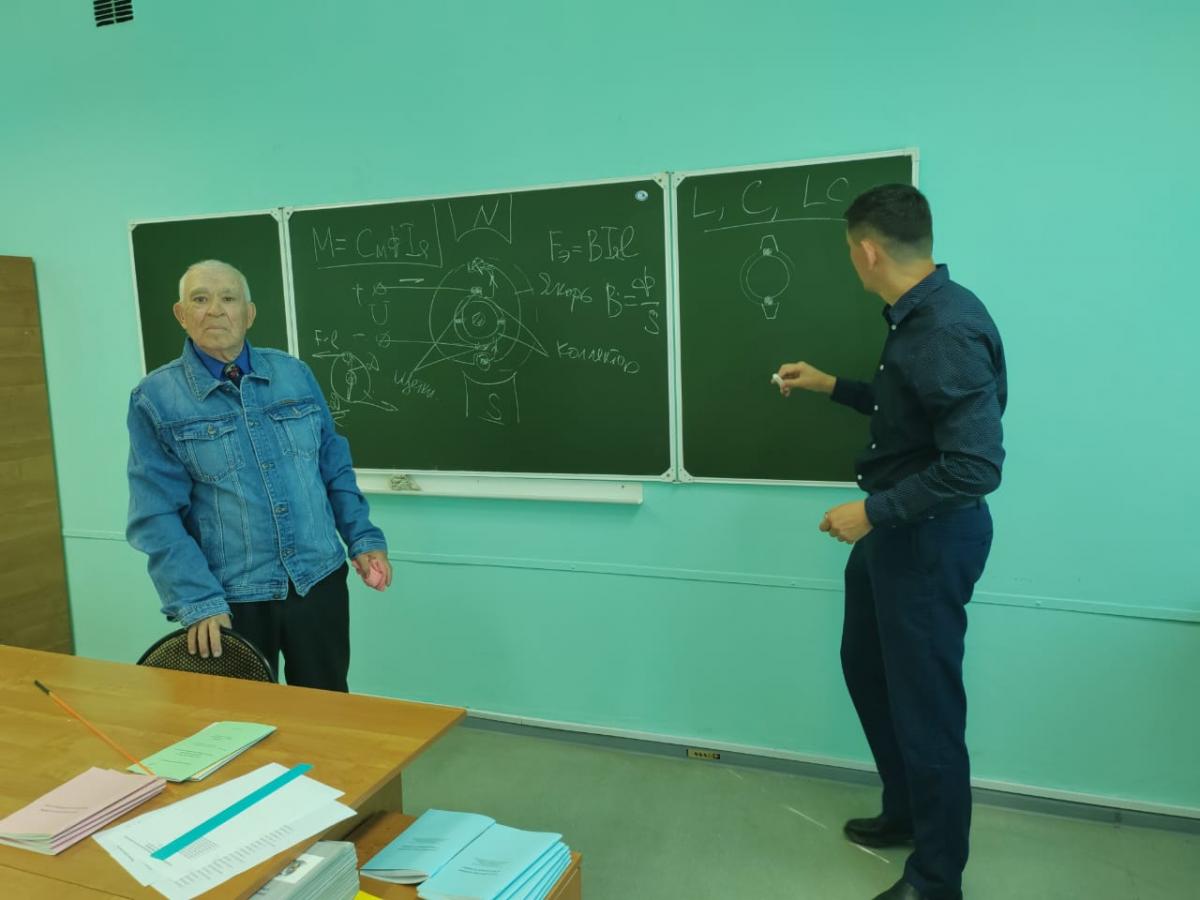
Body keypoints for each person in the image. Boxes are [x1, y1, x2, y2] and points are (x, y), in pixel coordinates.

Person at [777, 185, 1006, 900]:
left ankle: (936, 879)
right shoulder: (918, 317)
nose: (852, 261)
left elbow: (975, 466)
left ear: (869, 251)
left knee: (927, 708)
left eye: (851, 251)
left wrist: (874, 513)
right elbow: (907, 410)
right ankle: (907, 811)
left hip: (926, 540)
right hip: (900, 533)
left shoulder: (944, 329)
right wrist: (832, 386)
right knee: (869, 671)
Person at [127, 259, 392, 691]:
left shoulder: (293, 375)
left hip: (317, 581)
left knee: (327, 712)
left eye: (228, 298)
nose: (215, 310)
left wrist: (362, 537)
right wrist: (197, 599)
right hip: (230, 601)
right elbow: (155, 517)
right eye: (200, 299)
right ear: (181, 314)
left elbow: (333, 465)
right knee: (241, 722)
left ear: (249, 313)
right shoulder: (155, 399)